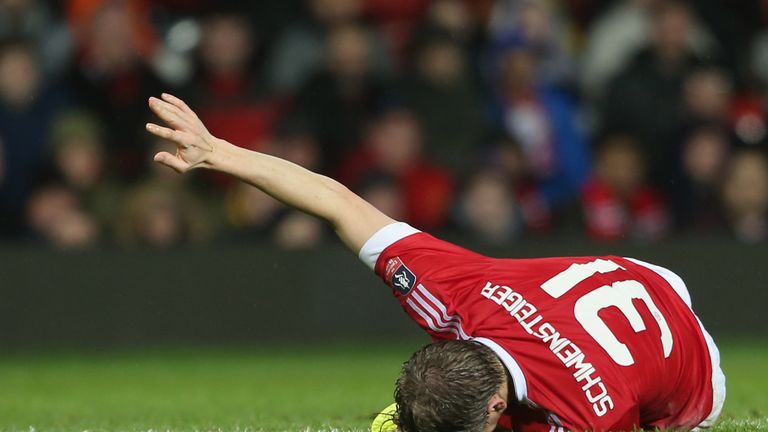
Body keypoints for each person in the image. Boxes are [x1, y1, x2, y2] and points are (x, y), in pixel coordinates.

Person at [145, 93, 725, 432]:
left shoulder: (587, 415)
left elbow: (334, 199)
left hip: (687, 353)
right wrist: (217, 152)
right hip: (622, 271)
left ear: (497, 407)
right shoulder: (453, 292)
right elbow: (338, 201)